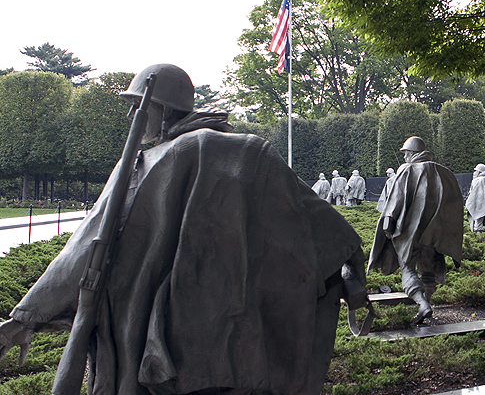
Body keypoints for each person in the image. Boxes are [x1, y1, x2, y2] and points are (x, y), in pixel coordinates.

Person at [0, 64, 365, 395]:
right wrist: (353, 277)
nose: (131, 114)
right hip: (242, 343)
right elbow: (331, 231)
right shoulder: (253, 152)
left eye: (137, 105)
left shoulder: (148, 164)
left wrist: (27, 314)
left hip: (166, 345)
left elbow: (87, 246)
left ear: (160, 109)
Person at [368, 136, 463, 324]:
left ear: (412, 153)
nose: (404, 158)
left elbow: (396, 199)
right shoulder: (444, 173)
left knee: (407, 268)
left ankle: (422, 304)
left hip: (411, 233)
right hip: (435, 233)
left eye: (406, 153)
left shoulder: (407, 170)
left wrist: (388, 223)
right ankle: (427, 303)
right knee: (427, 269)